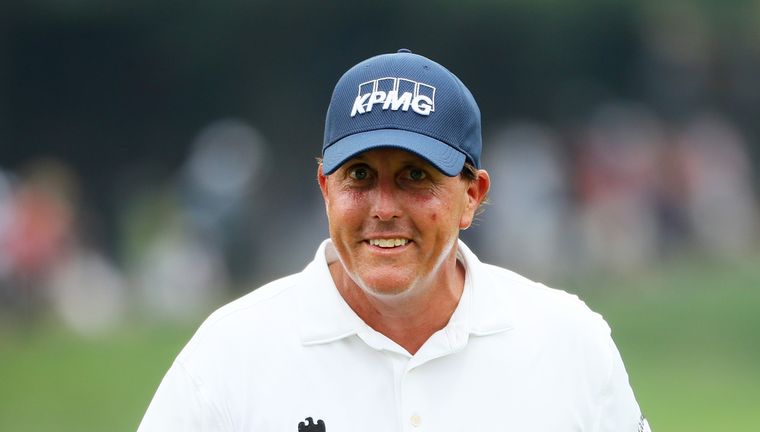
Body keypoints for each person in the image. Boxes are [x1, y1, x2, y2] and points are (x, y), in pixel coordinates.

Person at [139, 49, 650, 431]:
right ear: (325, 189)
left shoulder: (567, 342)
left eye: (414, 176)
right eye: (359, 175)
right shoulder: (229, 356)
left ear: (472, 195)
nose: (383, 208)